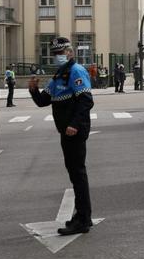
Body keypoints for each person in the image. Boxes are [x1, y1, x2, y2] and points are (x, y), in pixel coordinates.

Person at [29, 37, 95, 236]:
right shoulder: (58, 76)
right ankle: (84, 216)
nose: (59, 56)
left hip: (74, 131)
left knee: (78, 174)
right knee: (75, 174)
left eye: (62, 52)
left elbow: (86, 101)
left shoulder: (76, 71)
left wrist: (74, 124)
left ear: (70, 52)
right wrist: (33, 90)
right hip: (65, 131)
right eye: (56, 53)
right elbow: (43, 101)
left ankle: (83, 219)